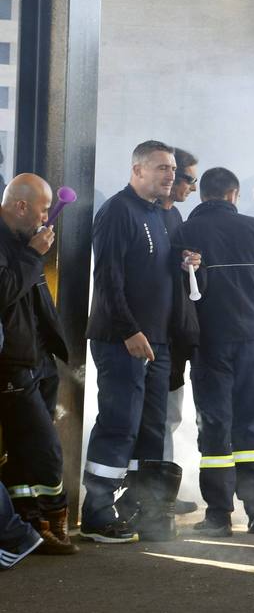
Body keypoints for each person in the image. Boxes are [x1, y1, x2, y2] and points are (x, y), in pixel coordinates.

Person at [81, 140, 200, 543]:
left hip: (160, 342)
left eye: (172, 168)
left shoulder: (167, 216)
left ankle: (144, 511)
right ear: (137, 171)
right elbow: (109, 279)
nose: (170, 175)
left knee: (151, 429)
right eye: (161, 168)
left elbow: (165, 271)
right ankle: (96, 514)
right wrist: (129, 330)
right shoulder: (117, 211)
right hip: (122, 339)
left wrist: (186, 262)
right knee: (119, 424)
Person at [174, 167, 254, 536]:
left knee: (215, 427)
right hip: (251, 343)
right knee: (248, 425)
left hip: (209, 342)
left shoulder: (185, 231)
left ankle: (218, 516)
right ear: (234, 195)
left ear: (204, 196)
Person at [0, 174, 75, 555]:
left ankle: (31, 523)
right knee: (45, 446)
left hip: (39, 357)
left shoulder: (24, 238)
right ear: (20, 206)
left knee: (26, 447)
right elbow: (4, 291)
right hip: (13, 362)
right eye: (44, 209)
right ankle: (52, 518)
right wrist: (33, 255)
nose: (48, 218)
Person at [160, 149, 200, 486]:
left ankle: (163, 492)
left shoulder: (175, 219)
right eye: (189, 179)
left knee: (170, 416)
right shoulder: (142, 214)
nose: (192, 187)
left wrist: (186, 260)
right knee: (155, 417)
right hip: (152, 336)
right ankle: (151, 494)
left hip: (174, 334)